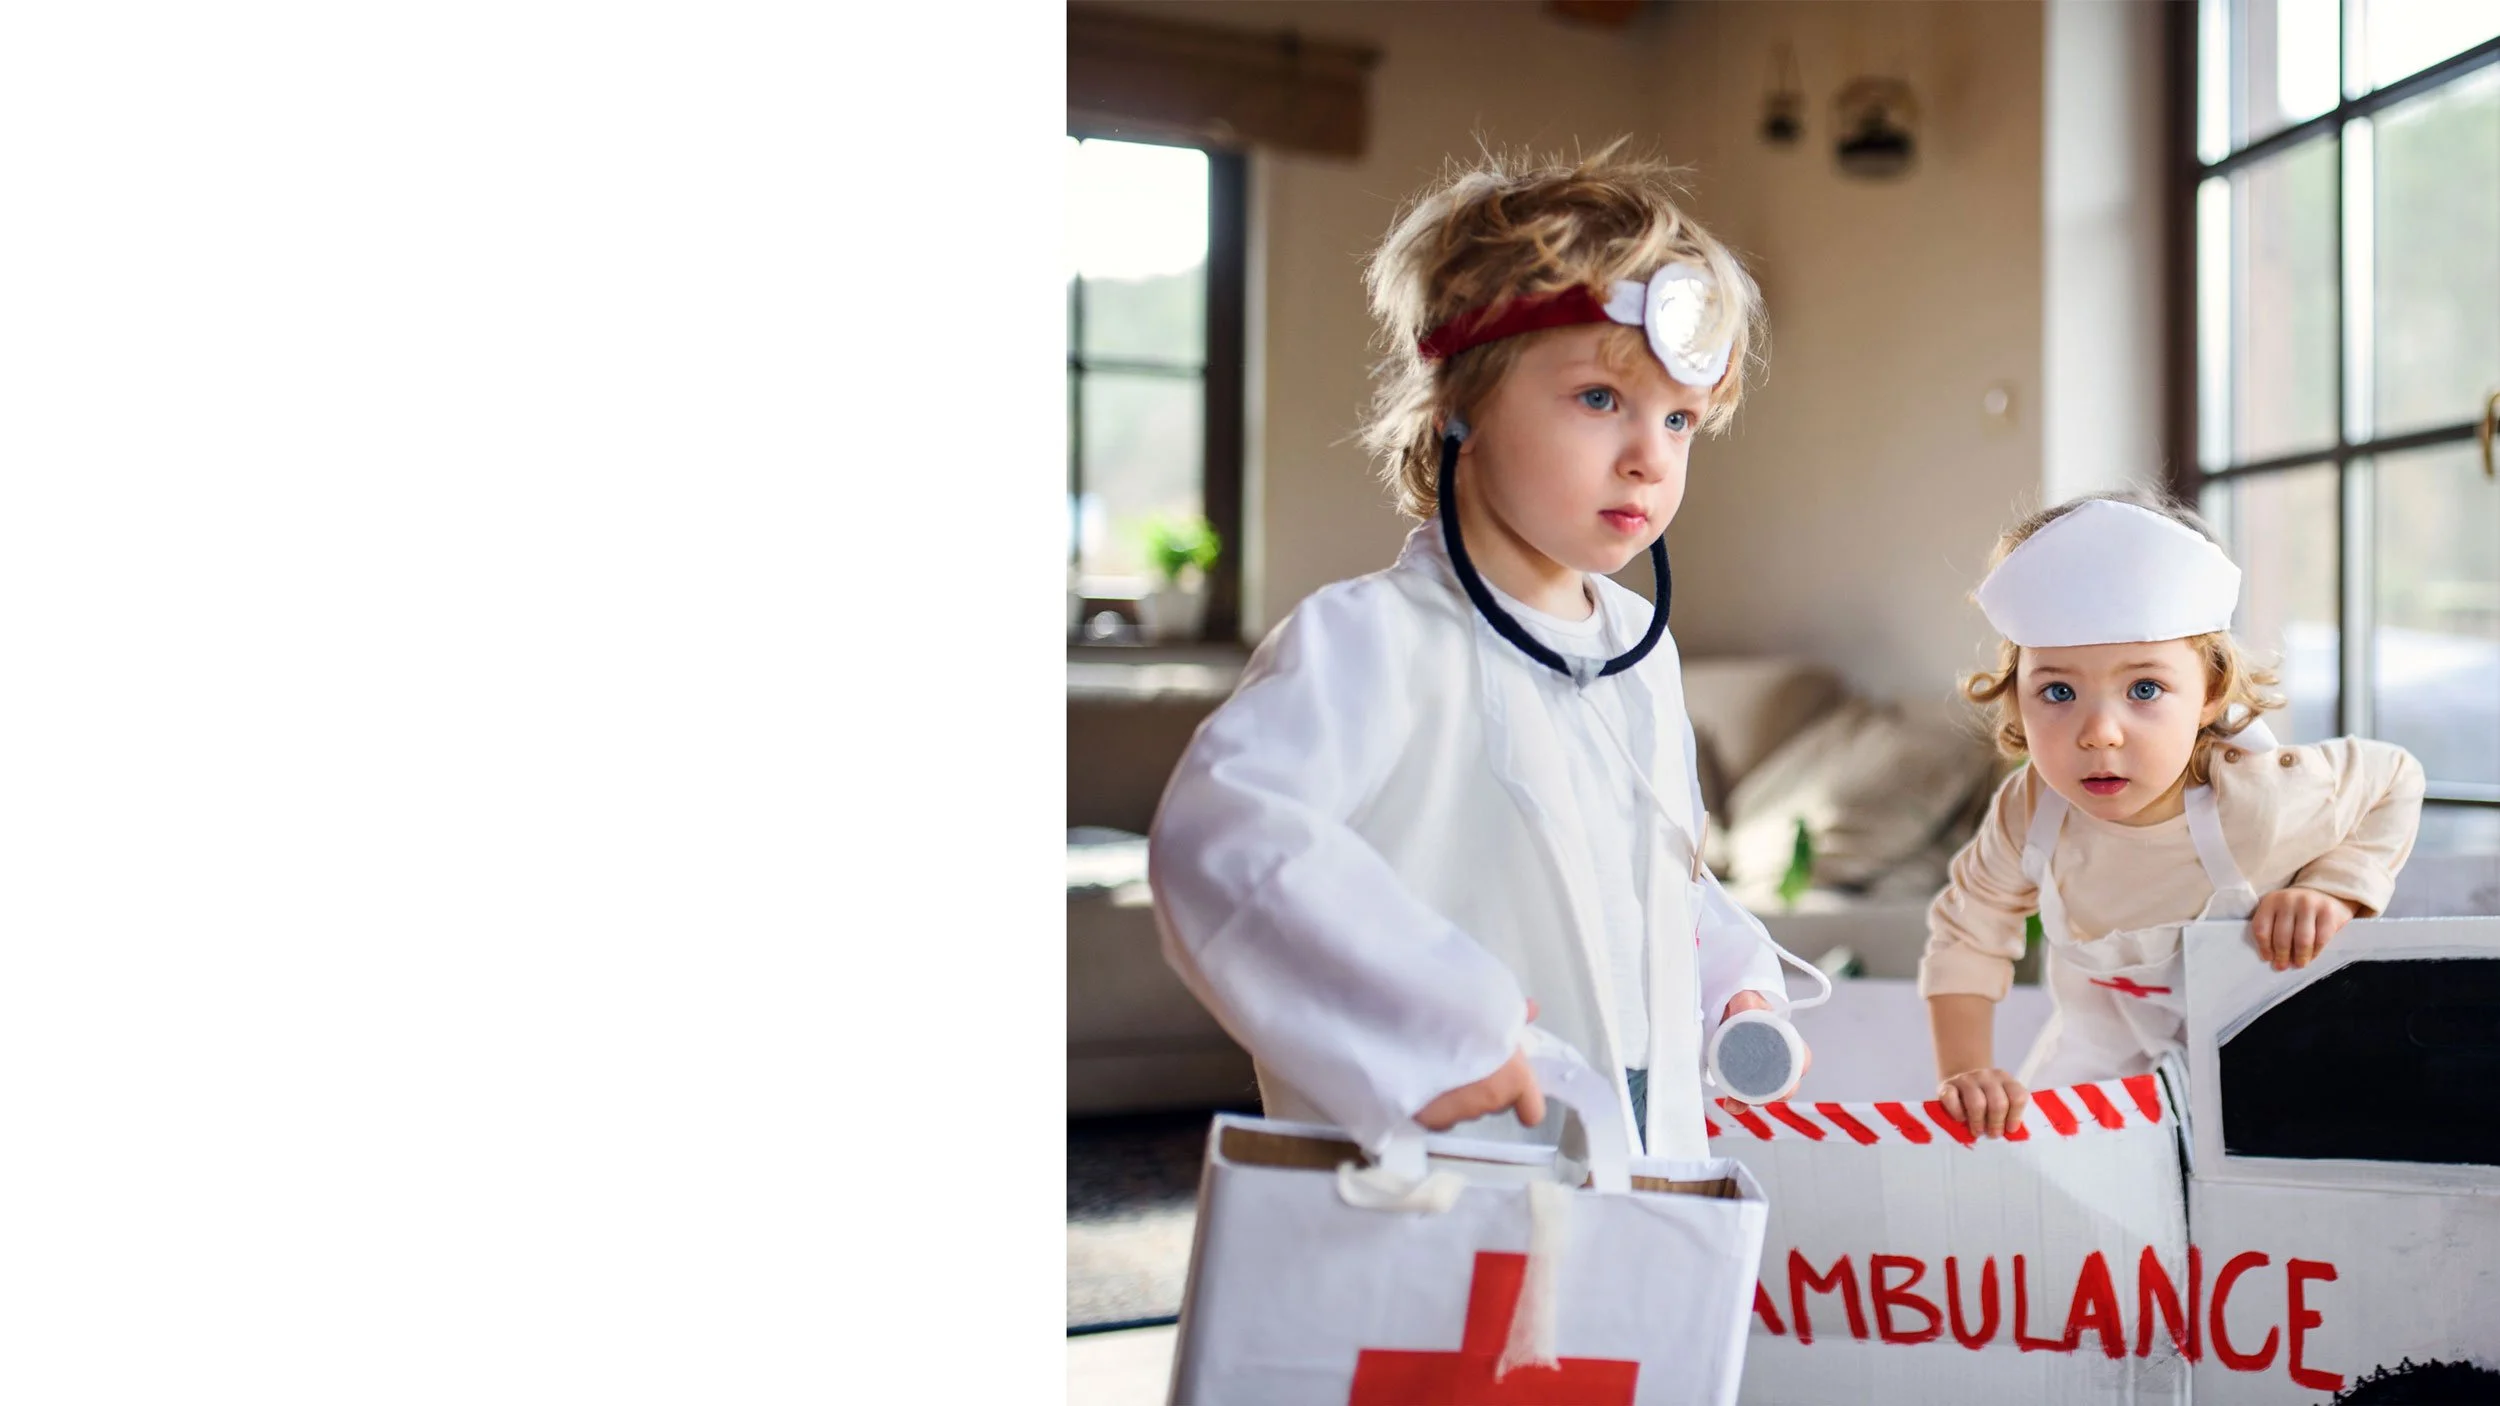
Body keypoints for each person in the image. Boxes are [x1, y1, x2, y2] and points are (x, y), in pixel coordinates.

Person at [1149, 140, 1810, 1165]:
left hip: (1639, 1153)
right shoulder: (1370, 640)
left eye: (1679, 419)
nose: (1650, 455)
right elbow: (1224, 841)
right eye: (1600, 399)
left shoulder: (1641, 651)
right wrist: (1442, 1016)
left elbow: (1656, 876)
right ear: (1460, 397)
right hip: (1447, 1160)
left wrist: (1735, 977)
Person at [1921, 490, 2426, 1138]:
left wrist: (2336, 887)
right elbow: (1969, 932)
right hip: (2099, 1056)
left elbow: (2394, 780)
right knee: (2049, 1177)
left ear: (2211, 691)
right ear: (2016, 698)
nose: (2099, 732)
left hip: (2260, 1048)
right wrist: (1966, 1072)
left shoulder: (2256, 801)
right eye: (2057, 691)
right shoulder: (2030, 810)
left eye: (2144, 689)